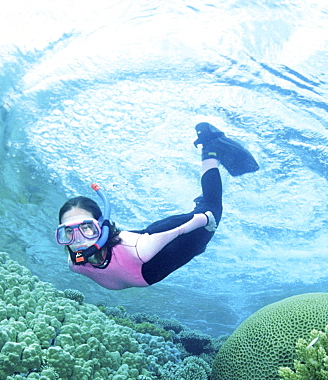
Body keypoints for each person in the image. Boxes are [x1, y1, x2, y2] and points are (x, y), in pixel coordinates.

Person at [55, 122, 259, 290]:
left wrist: (204, 218)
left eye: (86, 228)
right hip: (144, 245)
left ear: (101, 225)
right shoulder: (76, 263)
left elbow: (181, 227)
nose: (78, 239)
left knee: (212, 206)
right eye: (68, 232)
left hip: (170, 240)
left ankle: (209, 145)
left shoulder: (137, 249)